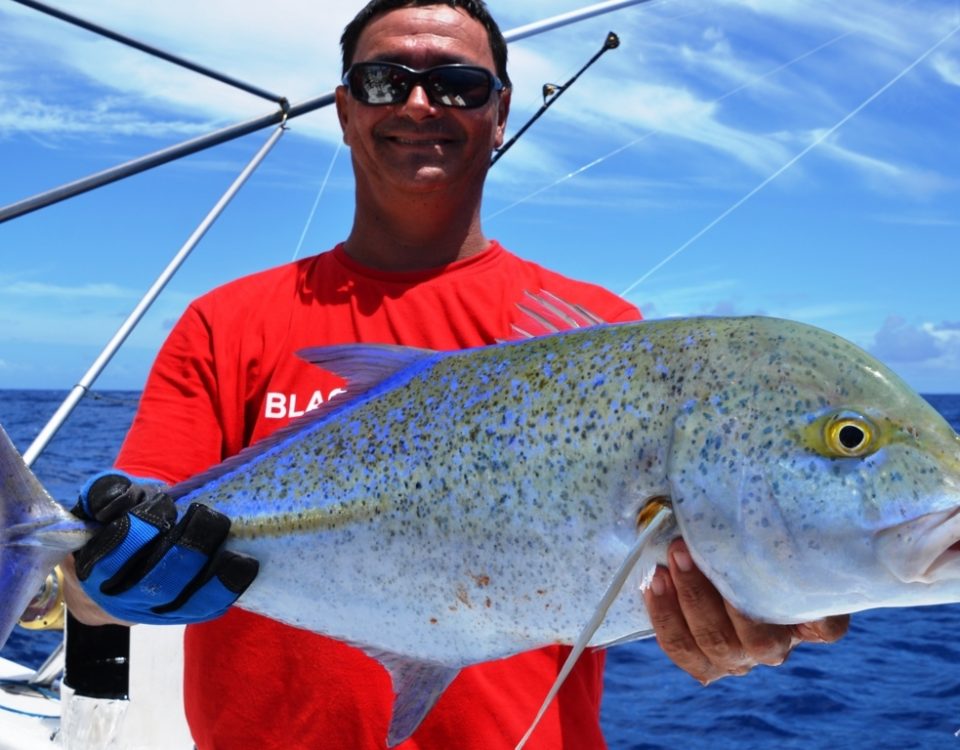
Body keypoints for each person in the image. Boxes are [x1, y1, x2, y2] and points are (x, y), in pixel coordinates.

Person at [63, 1, 849, 748]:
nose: (418, 104)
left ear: (499, 113)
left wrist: (742, 636)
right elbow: (94, 584)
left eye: (458, 84)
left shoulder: (599, 333)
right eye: (383, 80)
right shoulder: (228, 322)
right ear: (345, 111)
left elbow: (666, 586)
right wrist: (102, 577)